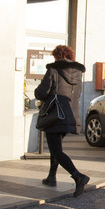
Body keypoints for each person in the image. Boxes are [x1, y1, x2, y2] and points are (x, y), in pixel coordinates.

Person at [34, 45, 90, 197]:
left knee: (56, 150)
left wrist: (38, 93)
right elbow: (76, 95)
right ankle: (51, 177)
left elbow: (42, 92)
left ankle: (78, 176)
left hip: (55, 115)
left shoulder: (53, 69)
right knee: (56, 148)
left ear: (57, 56)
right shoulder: (78, 73)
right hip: (71, 115)